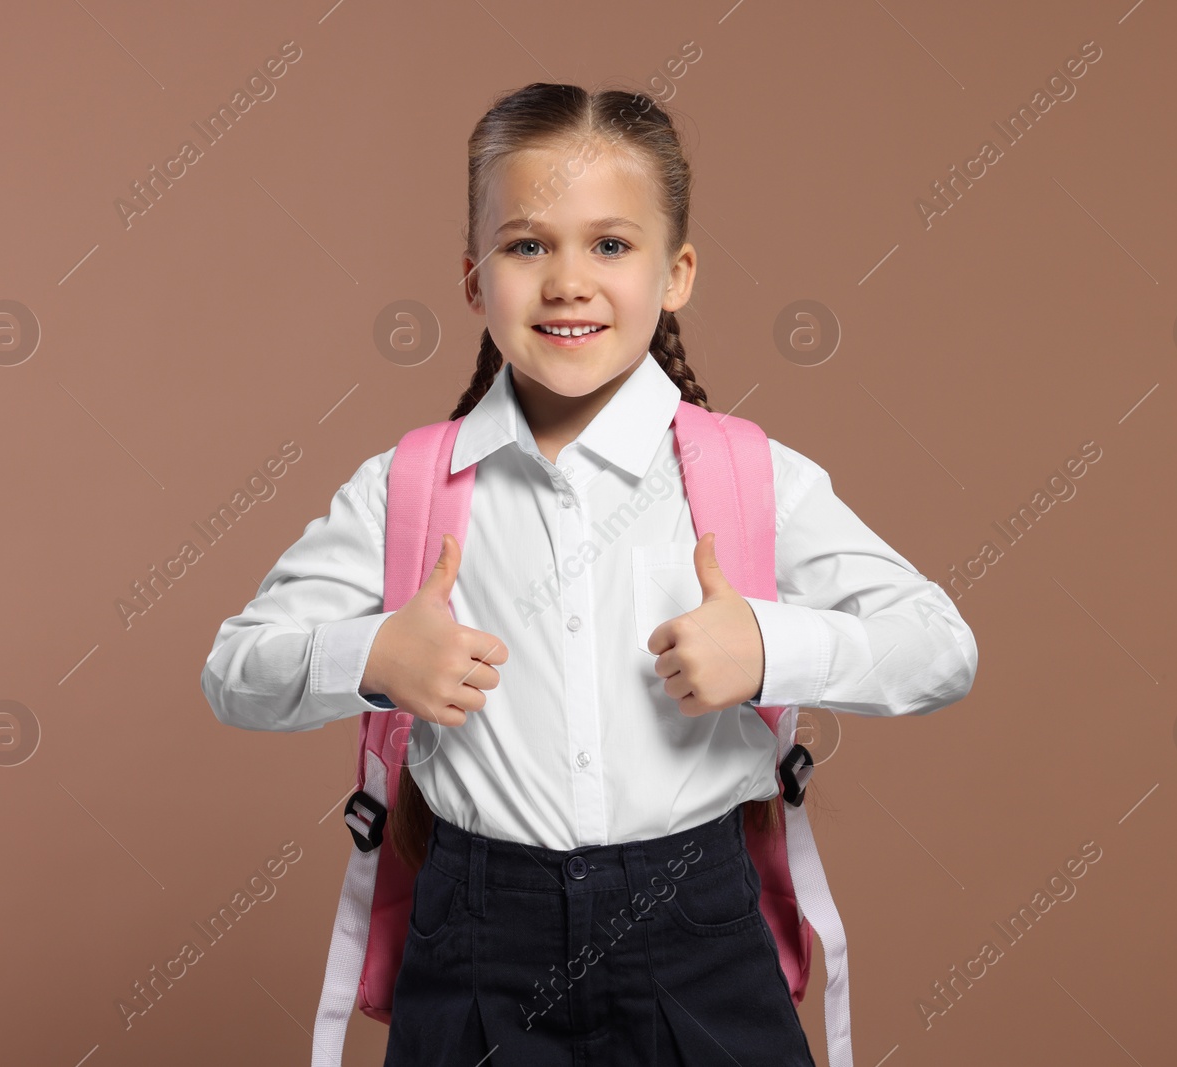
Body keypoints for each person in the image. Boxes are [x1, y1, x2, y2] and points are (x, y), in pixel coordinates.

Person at [201, 82, 979, 1066]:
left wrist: (772, 647)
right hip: (475, 939)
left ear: (678, 271)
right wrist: (376, 654)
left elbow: (942, 647)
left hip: (698, 928)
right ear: (475, 279)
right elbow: (233, 670)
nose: (568, 279)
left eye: (610, 244)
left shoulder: (746, 476)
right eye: (528, 244)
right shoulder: (405, 487)